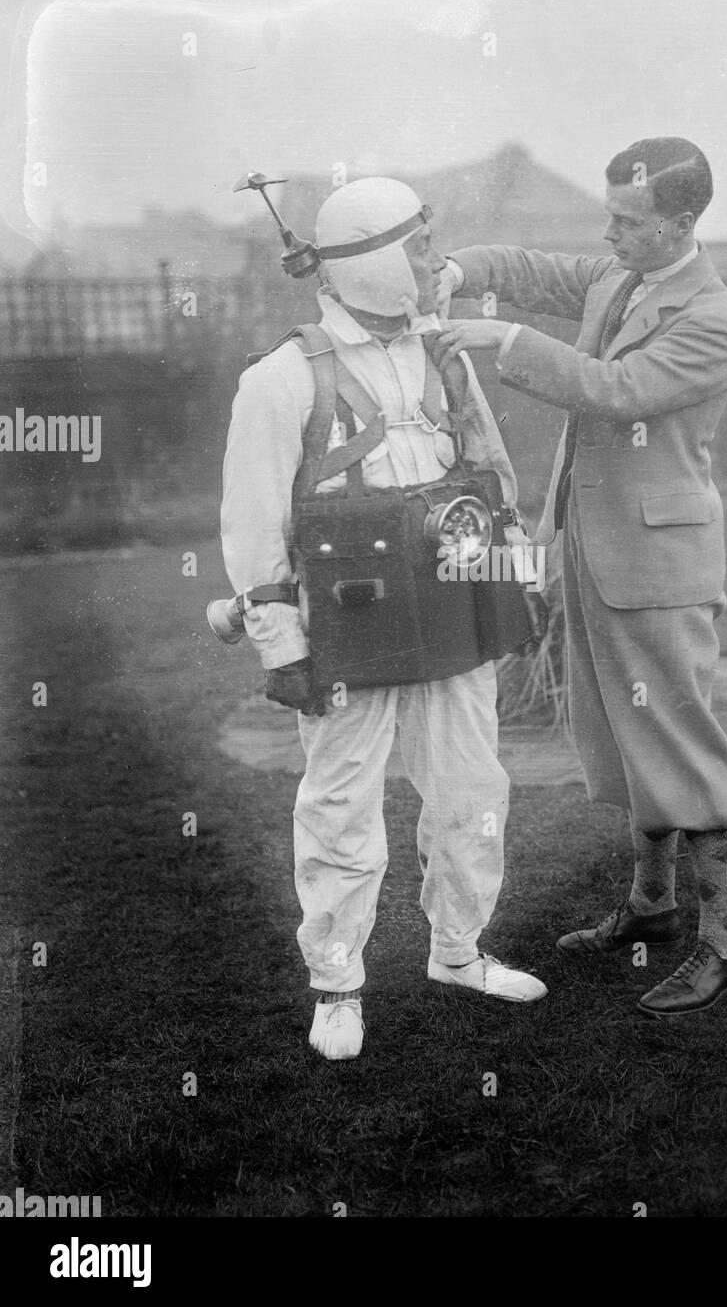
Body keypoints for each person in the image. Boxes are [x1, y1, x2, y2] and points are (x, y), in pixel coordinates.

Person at [220, 177, 547, 1062]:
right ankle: (336, 985)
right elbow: (253, 531)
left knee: (473, 794)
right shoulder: (279, 380)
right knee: (340, 808)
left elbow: (494, 477)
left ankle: (457, 952)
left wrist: (522, 584)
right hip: (346, 630)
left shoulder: (444, 355)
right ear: (368, 261)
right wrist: (281, 647)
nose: (434, 263)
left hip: (454, 607)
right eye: (417, 247)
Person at [432, 138, 727, 1016]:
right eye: (607, 215)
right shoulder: (620, 276)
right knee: (618, 736)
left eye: (627, 221)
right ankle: (650, 911)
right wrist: (461, 268)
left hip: (658, 564)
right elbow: (532, 268)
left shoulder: (714, 317)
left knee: (681, 745)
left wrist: (505, 338)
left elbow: (613, 389)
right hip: (591, 548)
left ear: (680, 224)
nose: (607, 234)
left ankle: (722, 946)